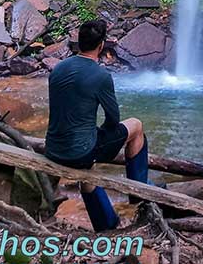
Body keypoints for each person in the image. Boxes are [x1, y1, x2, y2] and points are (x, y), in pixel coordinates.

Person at [45, 18, 150, 231]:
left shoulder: (58, 69)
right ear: (101, 45)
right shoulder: (101, 75)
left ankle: (108, 223)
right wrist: (101, 136)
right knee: (136, 126)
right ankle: (138, 194)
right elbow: (113, 118)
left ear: (78, 42)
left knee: (87, 164)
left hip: (53, 148)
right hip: (79, 152)